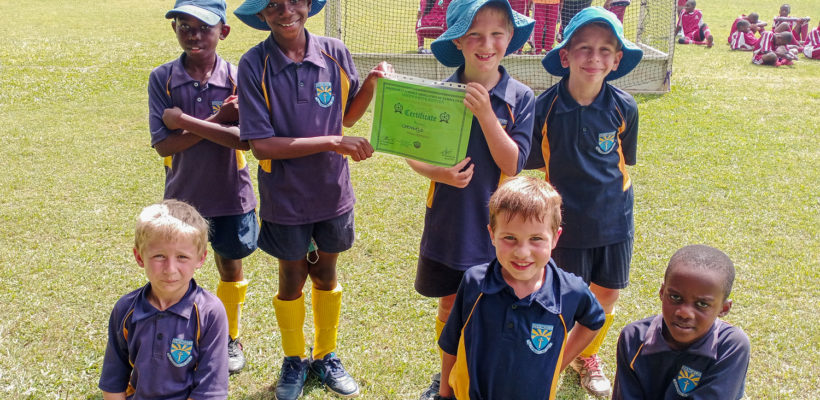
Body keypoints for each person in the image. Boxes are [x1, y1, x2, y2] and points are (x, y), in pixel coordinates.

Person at [232, 0, 392, 398]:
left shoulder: (335, 52)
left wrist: (370, 85)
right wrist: (334, 141)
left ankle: (325, 355)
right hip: (284, 197)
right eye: (273, 5)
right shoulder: (255, 64)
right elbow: (263, 147)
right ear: (261, 14)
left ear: (308, 4)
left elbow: (349, 115)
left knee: (326, 274)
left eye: (295, 1)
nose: (286, 12)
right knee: (292, 279)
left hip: (332, 191)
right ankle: (292, 359)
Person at [412, 1, 535, 398]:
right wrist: (439, 173)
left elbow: (513, 163)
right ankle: (446, 377)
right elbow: (414, 153)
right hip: (451, 220)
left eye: (497, 34)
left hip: (500, 227)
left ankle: (481, 371)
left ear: (510, 39)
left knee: (492, 303)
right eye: (475, 35)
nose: (487, 44)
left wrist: (485, 114)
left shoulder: (521, 97)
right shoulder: (442, 93)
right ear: (459, 42)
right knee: (451, 302)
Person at [527, 6, 643, 397]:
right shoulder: (545, 107)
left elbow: (624, 160)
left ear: (615, 61)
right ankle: (552, 358)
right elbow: (529, 160)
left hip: (614, 218)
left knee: (607, 294)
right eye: (585, 48)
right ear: (565, 56)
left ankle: (586, 357)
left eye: (605, 50)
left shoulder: (624, 106)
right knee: (565, 295)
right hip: (565, 222)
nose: (594, 57)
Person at [147, 0, 257, 375]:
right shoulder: (161, 78)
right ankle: (182, 331)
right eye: (184, 26)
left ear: (223, 32)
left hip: (231, 193)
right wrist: (217, 120)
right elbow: (164, 144)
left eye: (204, 27)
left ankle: (229, 337)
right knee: (178, 268)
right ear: (174, 30)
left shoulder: (240, 76)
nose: (194, 35)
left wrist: (185, 122)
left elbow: (243, 141)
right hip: (183, 196)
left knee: (231, 266)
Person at [435, 176, 605, 400]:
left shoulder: (570, 291)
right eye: (510, 238)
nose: (522, 252)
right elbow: (451, 343)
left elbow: (594, 320)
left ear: (555, 238)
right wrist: (444, 394)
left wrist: (559, 362)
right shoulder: (475, 283)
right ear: (492, 235)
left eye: (536, 238)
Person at [99, 200, 229, 399]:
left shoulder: (210, 313)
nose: (170, 269)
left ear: (200, 259)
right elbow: (113, 380)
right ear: (139, 257)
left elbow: (210, 390)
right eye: (159, 256)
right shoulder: (125, 309)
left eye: (182, 257)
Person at [612, 245, 751, 399]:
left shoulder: (730, 346)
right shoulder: (634, 338)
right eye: (675, 297)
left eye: (702, 304)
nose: (684, 313)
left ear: (723, 309)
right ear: (662, 292)